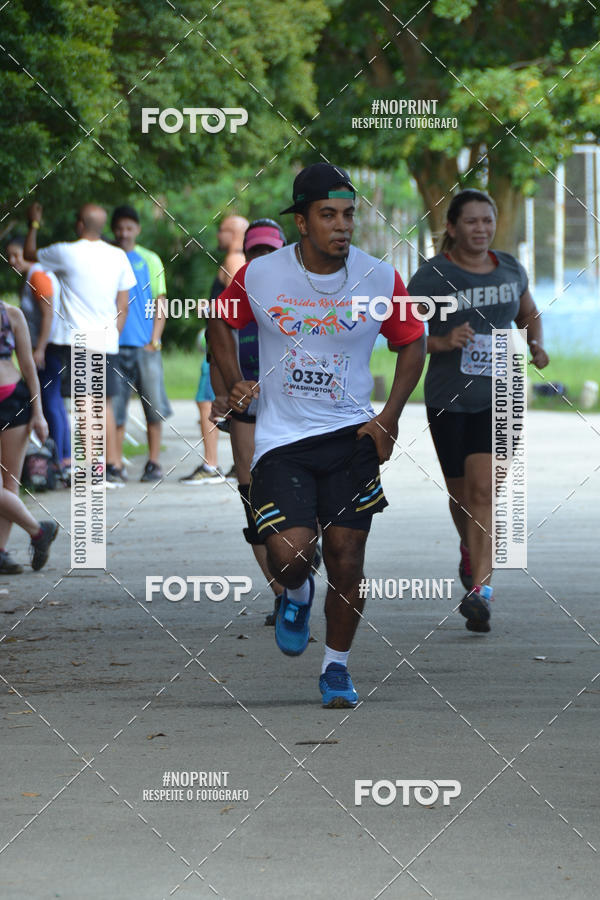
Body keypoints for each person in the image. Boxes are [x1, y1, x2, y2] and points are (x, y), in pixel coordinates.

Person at [209, 163, 425, 707]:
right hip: (282, 441)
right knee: (289, 555)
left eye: (348, 214)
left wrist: (390, 416)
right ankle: (298, 592)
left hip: (352, 436)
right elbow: (218, 322)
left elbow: (412, 341)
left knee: (348, 559)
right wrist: (233, 380)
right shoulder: (261, 274)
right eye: (328, 215)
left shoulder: (378, 277)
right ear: (302, 222)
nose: (342, 225)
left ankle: (335, 668)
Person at [406, 188, 549, 633]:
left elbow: (527, 314)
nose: (481, 229)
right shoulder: (431, 277)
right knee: (461, 496)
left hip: (502, 393)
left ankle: (481, 591)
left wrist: (537, 344)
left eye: (488, 220)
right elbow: (402, 335)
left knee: (484, 490)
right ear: (451, 228)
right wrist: (443, 342)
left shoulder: (509, 268)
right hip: (449, 397)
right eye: (471, 221)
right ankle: (471, 551)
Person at [23, 202, 137, 487]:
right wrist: (113, 334)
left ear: (79, 225)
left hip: (78, 339)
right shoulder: (118, 256)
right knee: (104, 403)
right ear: (103, 226)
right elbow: (123, 304)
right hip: (106, 340)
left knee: (85, 404)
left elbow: (28, 255)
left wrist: (34, 224)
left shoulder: (65, 251)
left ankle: (90, 469)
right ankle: (109, 466)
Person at [210, 219, 288, 620]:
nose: (262, 258)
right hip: (248, 405)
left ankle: (302, 551)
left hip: (296, 405)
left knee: (298, 492)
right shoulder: (234, 288)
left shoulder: (302, 289)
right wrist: (223, 392)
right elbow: (215, 337)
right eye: (255, 250)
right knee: (252, 500)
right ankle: (281, 593)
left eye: (269, 250)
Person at [179, 215, 248, 484]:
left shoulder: (233, 260)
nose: (217, 236)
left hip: (221, 346)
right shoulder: (238, 260)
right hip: (224, 344)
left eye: (221, 231)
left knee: (207, 400)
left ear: (232, 233)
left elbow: (235, 305)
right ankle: (235, 463)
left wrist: (207, 309)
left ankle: (211, 465)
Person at [110, 205, 172, 483]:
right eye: (119, 228)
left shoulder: (150, 259)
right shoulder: (106, 257)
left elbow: (161, 302)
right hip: (114, 346)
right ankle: (116, 465)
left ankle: (154, 462)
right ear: (114, 229)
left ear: (137, 229)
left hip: (145, 346)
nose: (124, 233)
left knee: (153, 407)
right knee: (117, 409)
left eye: (129, 227)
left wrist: (155, 339)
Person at [0, 298, 58, 572]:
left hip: (12, 400)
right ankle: (38, 531)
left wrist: (38, 413)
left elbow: (27, 365)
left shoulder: (11, 314)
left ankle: (0, 552)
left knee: (9, 484)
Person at [6, 236, 71, 480]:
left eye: (18, 254)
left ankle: (60, 460)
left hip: (48, 347)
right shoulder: (33, 274)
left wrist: (40, 348)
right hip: (46, 346)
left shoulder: (37, 275)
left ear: (29, 253)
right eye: (9, 255)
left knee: (50, 401)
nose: (13, 260)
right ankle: (62, 458)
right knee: (52, 401)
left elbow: (48, 313)